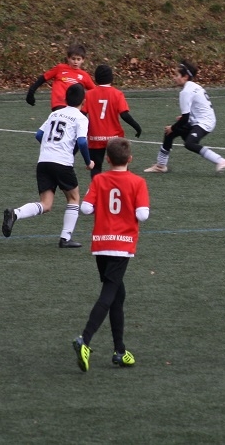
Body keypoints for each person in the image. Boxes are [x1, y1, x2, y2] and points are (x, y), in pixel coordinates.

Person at [72, 137, 150, 372]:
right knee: (108, 294)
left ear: (107, 159)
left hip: (101, 244)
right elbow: (143, 214)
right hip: (122, 245)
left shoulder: (99, 179)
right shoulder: (138, 182)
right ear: (130, 159)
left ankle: (120, 351)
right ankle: (85, 339)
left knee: (118, 294)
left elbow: (86, 208)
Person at [2, 83, 95, 248]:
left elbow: (39, 134)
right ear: (84, 101)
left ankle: (16, 213)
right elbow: (82, 141)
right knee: (74, 198)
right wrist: (88, 162)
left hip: (44, 161)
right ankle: (65, 238)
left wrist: (50, 147)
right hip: (62, 163)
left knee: (46, 204)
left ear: (65, 99)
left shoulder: (55, 114)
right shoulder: (81, 118)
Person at [143, 60, 225, 174]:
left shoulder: (186, 92)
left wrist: (173, 127)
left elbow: (185, 118)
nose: (174, 78)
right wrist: (182, 121)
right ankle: (160, 166)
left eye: (177, 75)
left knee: (189, 143)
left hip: (204, 122)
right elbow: (195, 109)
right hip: (200, 119)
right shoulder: (194, 86)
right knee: (170, 134)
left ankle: (220, 161)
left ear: (185, 77)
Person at [85, 64, 142, 177]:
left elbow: (81, 114)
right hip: (114, 137)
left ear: (96, 78)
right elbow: (124, 115)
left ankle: (96, 187)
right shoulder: (117, 94)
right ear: (111, 78)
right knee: (121, 165)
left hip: (95, 136)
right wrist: (137, 127)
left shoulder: (89, 94)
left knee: (96, 167)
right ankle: (123, 185)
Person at [26, 43, 95, 110]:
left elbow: (95, 91)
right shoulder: (60, 68)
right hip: (59, 104)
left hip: (75, 108)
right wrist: (31, 91)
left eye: (78, 59)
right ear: (68, 58)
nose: (75, 62)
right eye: (73, 59)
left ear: (83, 60)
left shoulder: (84, 75)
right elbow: (43, 78)